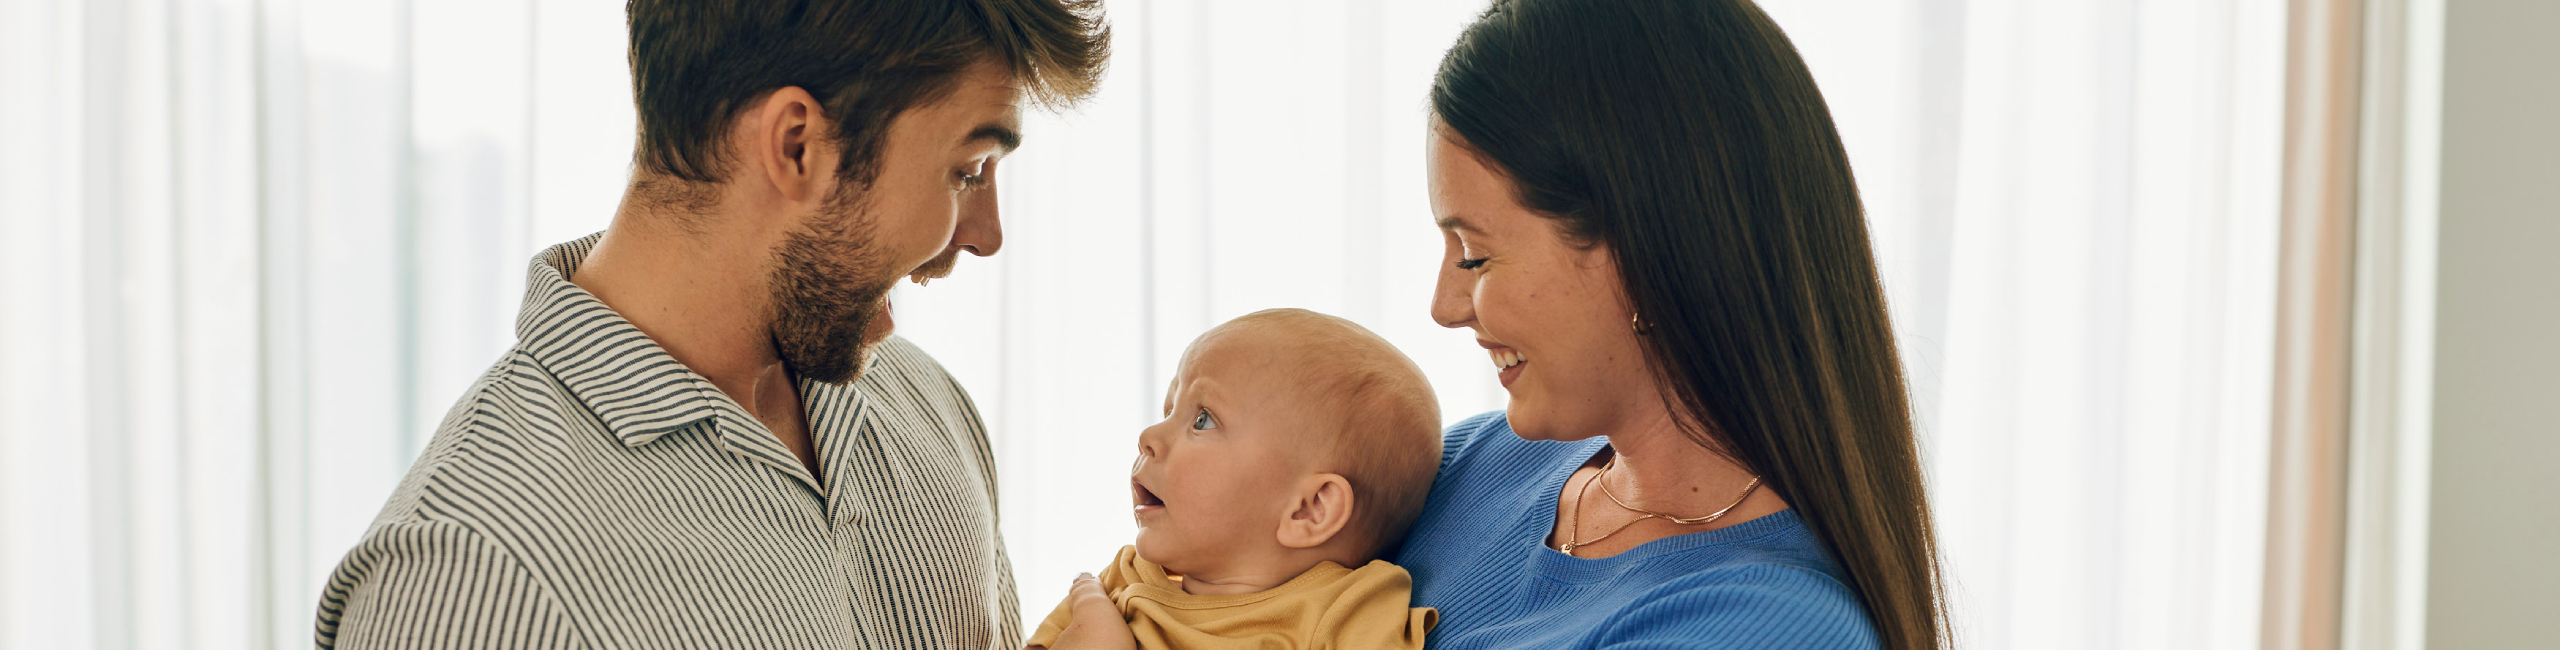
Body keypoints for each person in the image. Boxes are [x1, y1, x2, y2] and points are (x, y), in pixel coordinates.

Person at [313, 2, 1108, 648]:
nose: (984, 233)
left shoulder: (927, 407)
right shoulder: (471, 581)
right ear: (798, 144)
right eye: (965, 171)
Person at [1393, 0, 1948, 648]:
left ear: (1643, 249)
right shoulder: (1465, 469)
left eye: (1475, 254)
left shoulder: (1759, 625)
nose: (1445, 306)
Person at [1024, 309, 1442, 650]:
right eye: (1169, 410)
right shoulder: (1121, 579)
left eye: (1202, 420)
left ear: (1309, 509)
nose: (1149, 437)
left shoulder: (1347, 612)